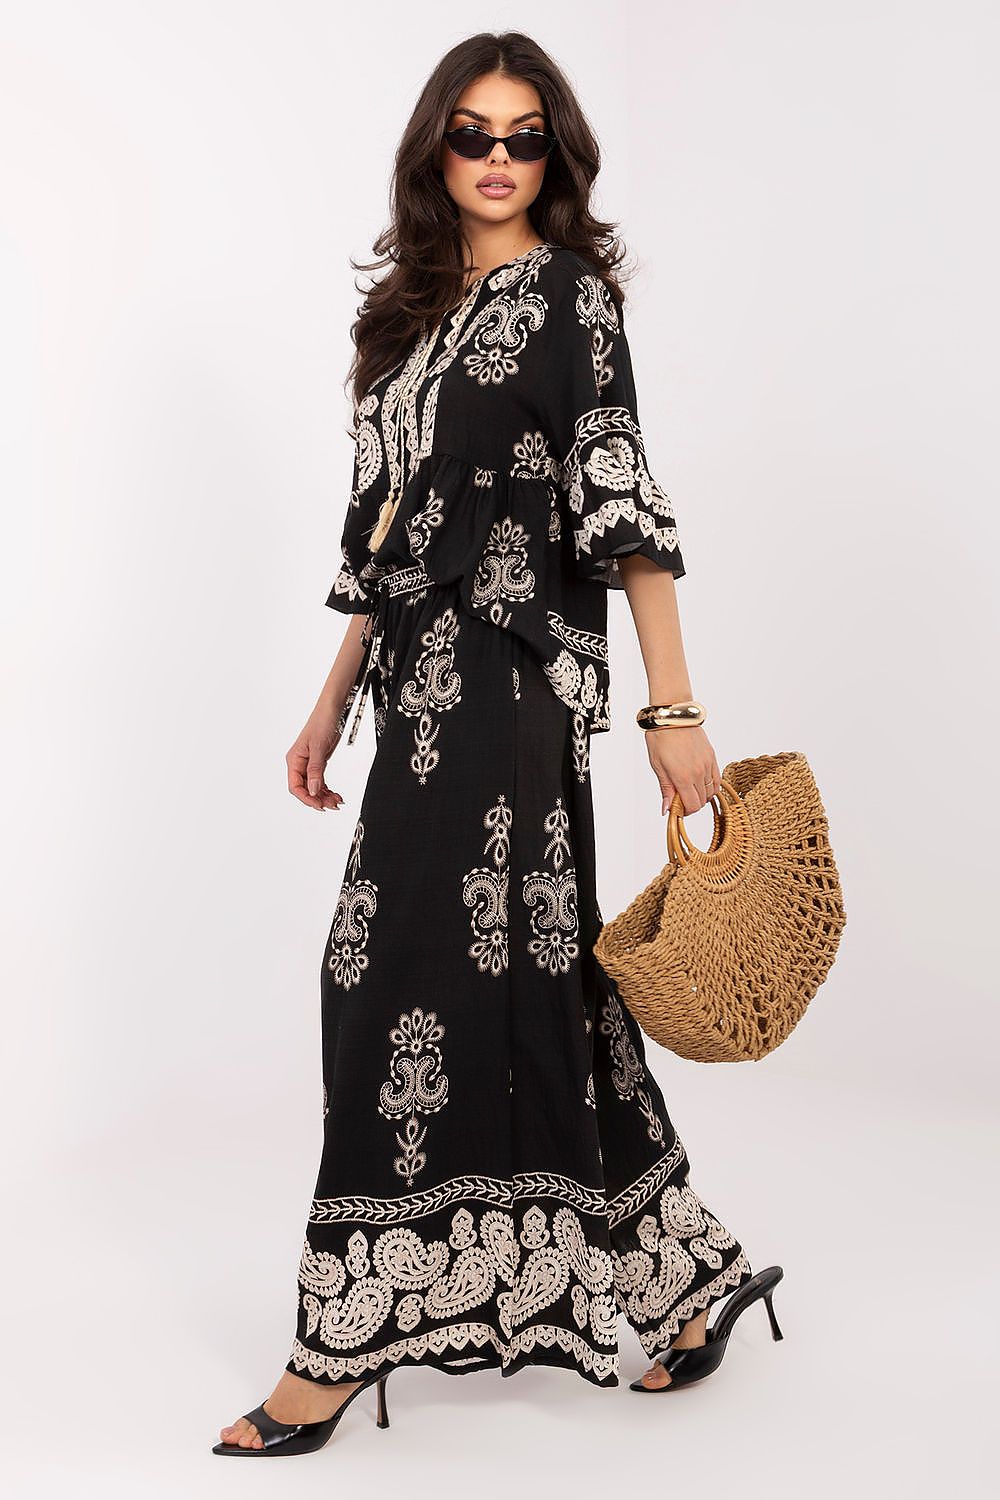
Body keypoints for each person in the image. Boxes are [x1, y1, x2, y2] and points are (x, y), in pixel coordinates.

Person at [213, 31, 783, 1459]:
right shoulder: (406, 320)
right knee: (525, 983)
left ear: (555, 157)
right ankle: (683, 1281)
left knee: (383, 968)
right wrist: (330, 696)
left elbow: (621, 507)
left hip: (515, 691)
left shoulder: (571, 305)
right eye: (472, 135)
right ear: (434, 151)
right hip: (418, 683)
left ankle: (337, 1344)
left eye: (525, 138)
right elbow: (384, 540)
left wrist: (674, 713)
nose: (496, 160)